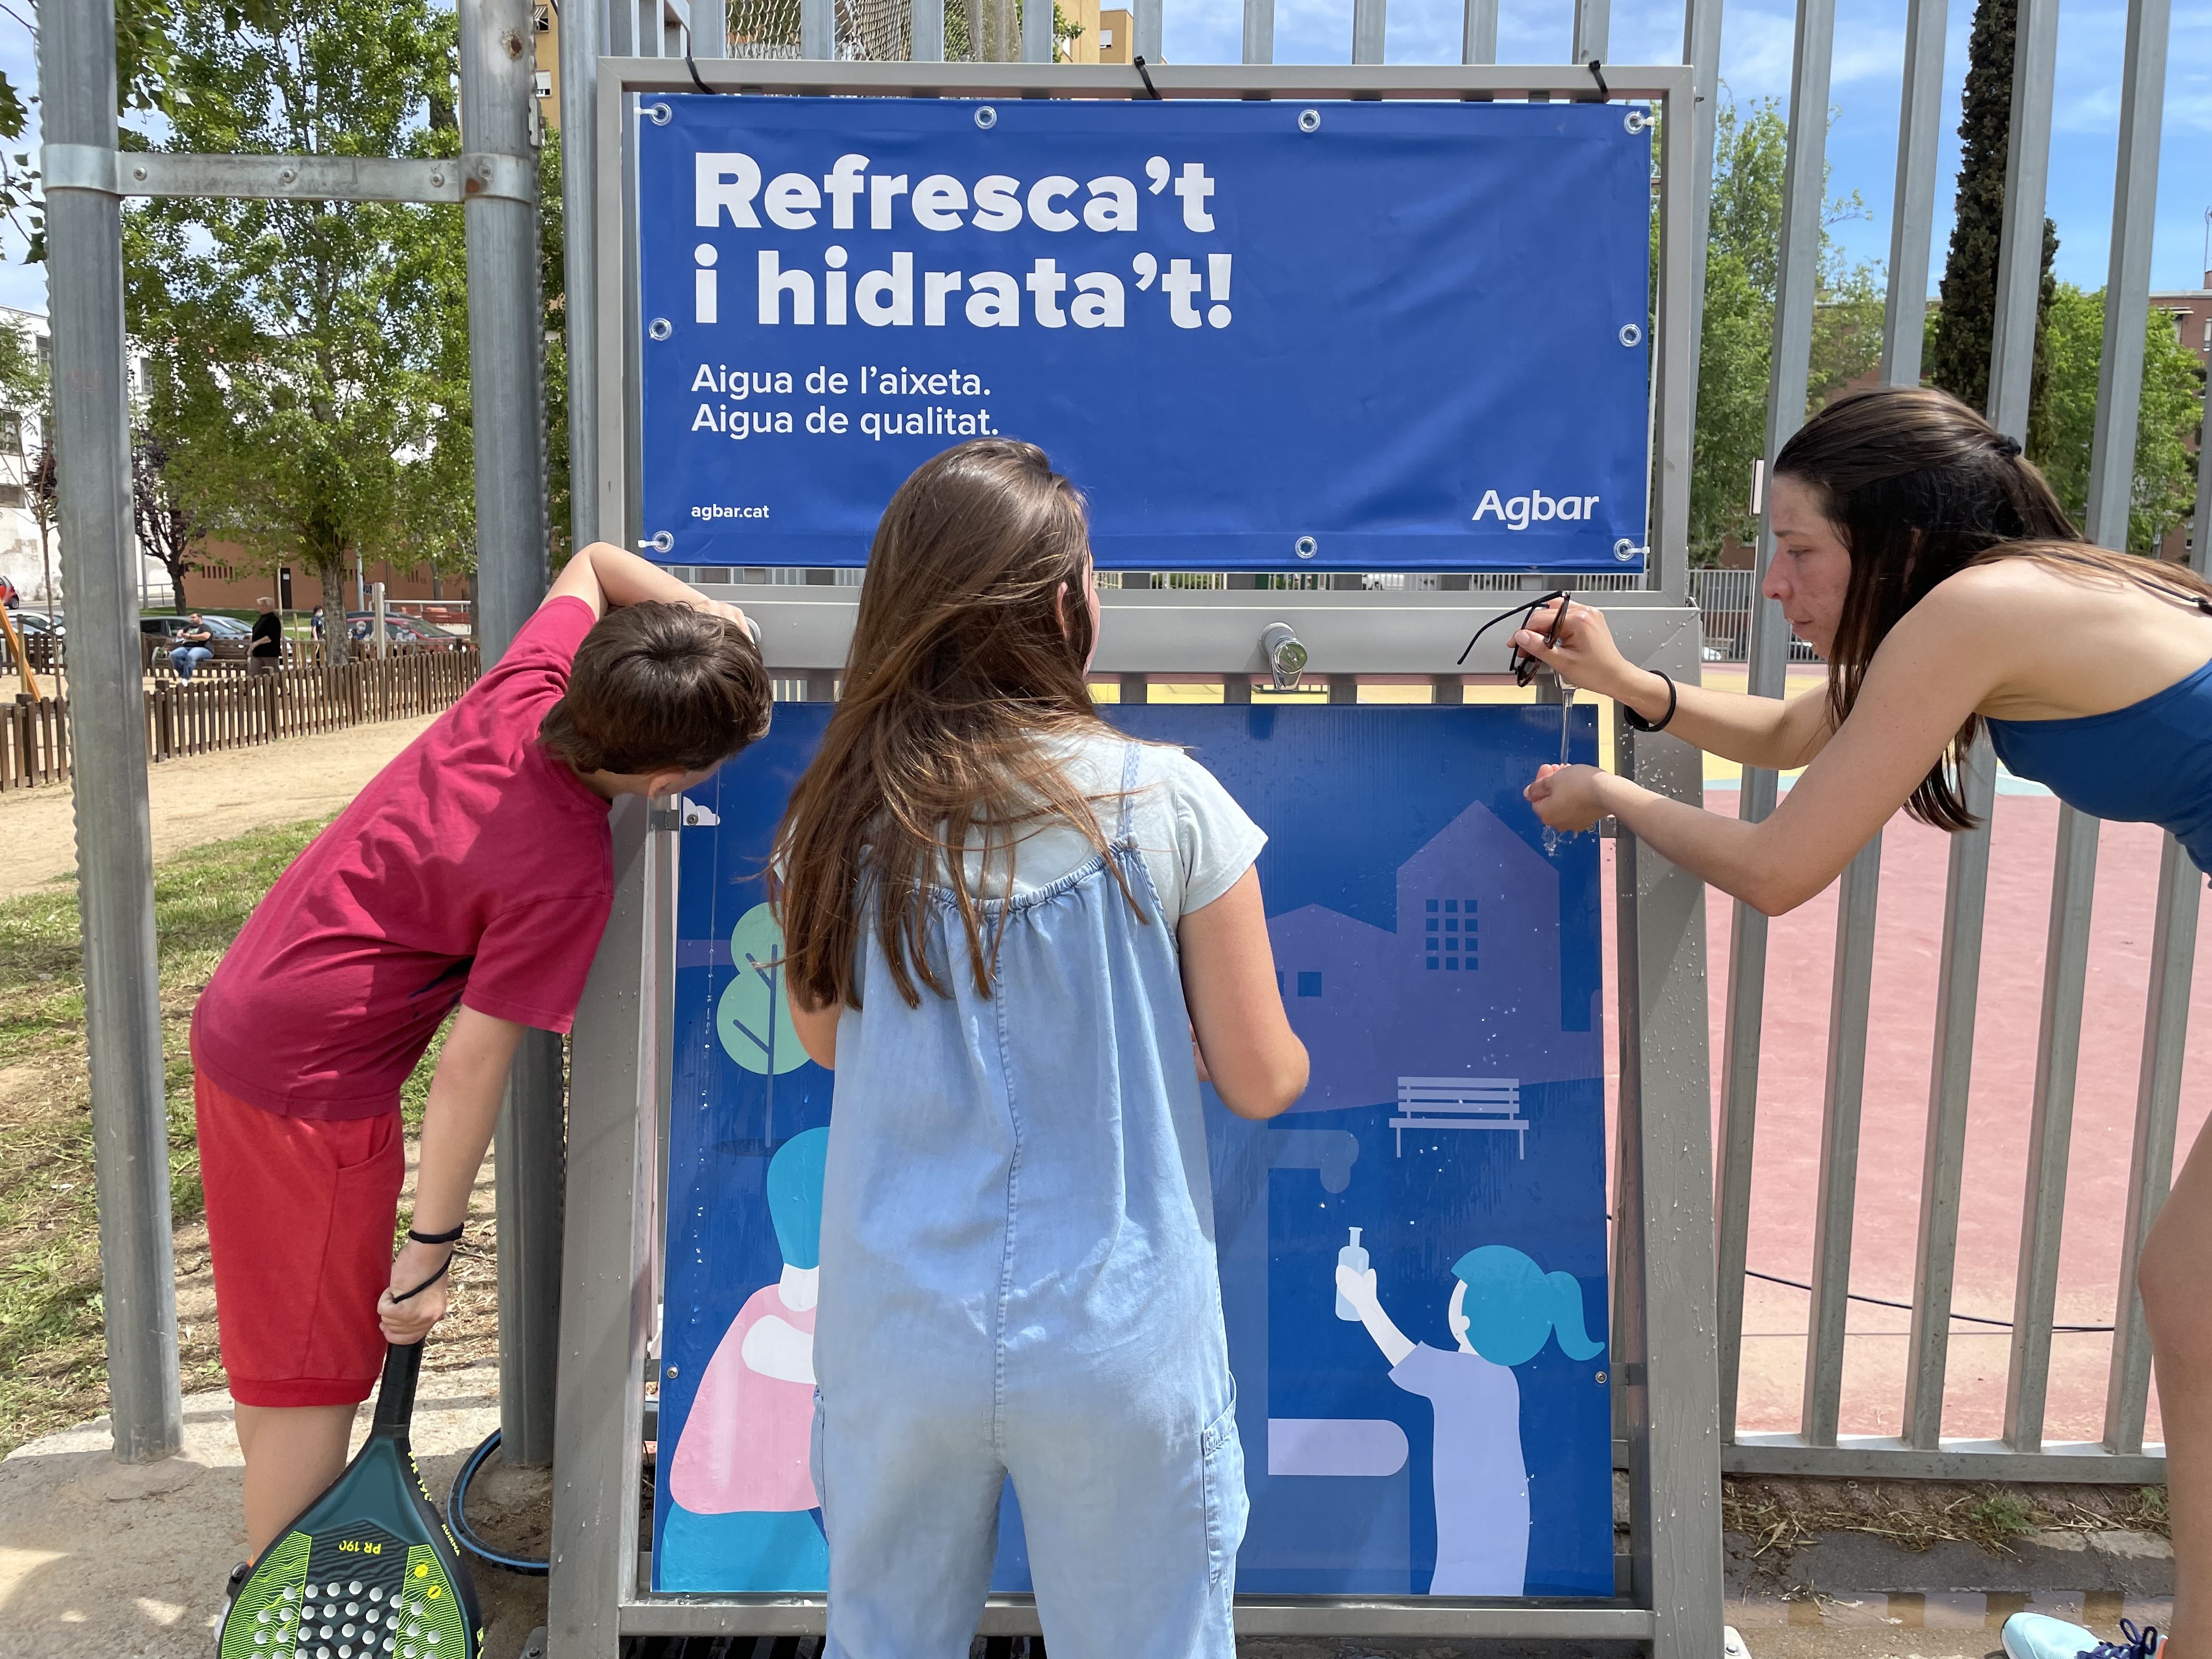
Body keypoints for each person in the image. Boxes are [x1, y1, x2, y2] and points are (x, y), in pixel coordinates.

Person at [1515, 384, 2210, 1659]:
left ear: (1896, 540)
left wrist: (1614, 794)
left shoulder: (1977, 611)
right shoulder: (1992, 603)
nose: (1774, 582)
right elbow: (1794, 728)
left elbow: (1781, 868)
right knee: (2196, 1295)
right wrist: (1627, 684)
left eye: (1801, 548)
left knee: (2197, 1296)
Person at [775, 439, 1310, 1658]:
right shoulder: (1170, 802)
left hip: (896, 1325)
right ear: (1067, 608)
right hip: (1115, 1330)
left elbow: (821, 1039)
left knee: (883, 1637)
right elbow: (1266, 1076)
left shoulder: (838, 814)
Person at [190, 542, 772, 1583]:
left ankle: (283, 1562)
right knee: (309, 1367)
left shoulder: (530, 690)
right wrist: (430, 1246)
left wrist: (699, 614)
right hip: (310, 1084)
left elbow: (593, 562)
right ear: (666, 780)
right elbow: (470, 1068)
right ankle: (279, 1600)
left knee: (284, 1323)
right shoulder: (564, 869)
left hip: (258, 1001)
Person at [1336, 1244, 1605, 1596]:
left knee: (1457, 1590)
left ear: (1466, 1320)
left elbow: (1403, 1356)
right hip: (1501, 1522)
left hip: (1470, 1528)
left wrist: (1365, 1303)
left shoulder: (1464, 1373)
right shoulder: (1503, 1378)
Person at [170, 612, 215, 680]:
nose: (191, 619)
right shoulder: (190, 627)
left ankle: (185, 678)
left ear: (200, 618)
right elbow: (182, 630)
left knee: (191, 656)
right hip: (187, 648)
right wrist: (180, 633)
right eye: (190, 618)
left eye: (193, 618)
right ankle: (184, 675)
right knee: (174, 655)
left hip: (203, 649)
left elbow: (206, 636)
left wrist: (190, 636)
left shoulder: (205, 627)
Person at [248, 596, 283, 678]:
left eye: (262, 606)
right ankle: (246, 690)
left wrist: (256, 643)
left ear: (269, 607)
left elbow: (270, 637)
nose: (260, 608)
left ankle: (284, 689)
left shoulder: (273, 620)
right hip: (257, 653)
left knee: (273, 675)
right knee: (253, 674)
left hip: (269, 653)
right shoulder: (262, 618)